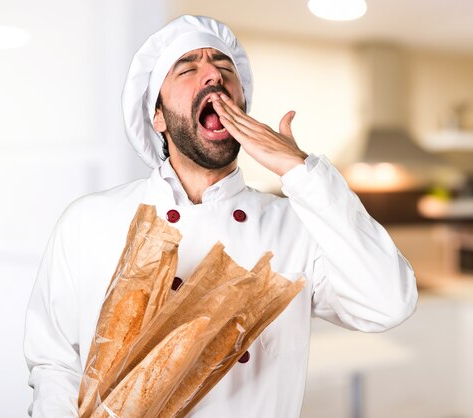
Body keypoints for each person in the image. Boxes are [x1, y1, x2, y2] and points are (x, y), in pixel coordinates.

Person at [24, 14, 418, 418]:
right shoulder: (88, 222)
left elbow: (389, 303)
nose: (213, 74)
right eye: (188, 68)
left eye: (224, 67)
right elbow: (55, 363)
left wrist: (299, 169)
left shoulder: (295, 227)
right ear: (157, 115)